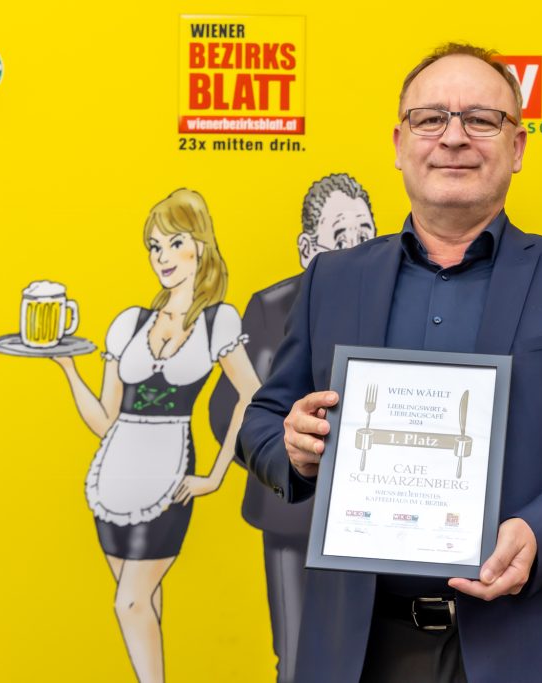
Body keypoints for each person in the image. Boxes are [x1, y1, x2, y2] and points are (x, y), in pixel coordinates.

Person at [238, 43, 542, 683]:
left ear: (517, 147)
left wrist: (540, 531)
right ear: (399, 143)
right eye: (431, 118)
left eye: (482, 120)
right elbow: (263, 420)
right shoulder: (334, 278)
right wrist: (292, 448)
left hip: (528, 641)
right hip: (359, 647)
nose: (454, 137)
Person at [52, 188, 260, 683]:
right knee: (143, 604)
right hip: (112, 479)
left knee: (129, 602)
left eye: (174, 243)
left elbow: (251, 394)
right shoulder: (129, 322)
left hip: (169, 476)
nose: (162, 257)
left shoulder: (217, 321)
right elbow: (107, 420)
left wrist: (215, 475)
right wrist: (68, 368)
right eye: (154, 246)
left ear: (201, 246)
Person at [209, 172, 376, 683]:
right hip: (293, 515)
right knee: (299, 655)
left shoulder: (400, 302)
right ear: (308, 249)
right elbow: (235, 409)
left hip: (378, 516)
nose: (355, 246)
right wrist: (287, 451)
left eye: (365, 232)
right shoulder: (272, 307)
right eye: (340, 235)